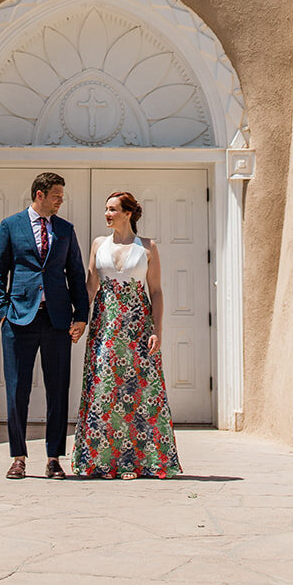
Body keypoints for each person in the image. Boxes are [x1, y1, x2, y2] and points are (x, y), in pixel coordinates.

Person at [72, 190, 181, 478]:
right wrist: (79, 320)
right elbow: (90, 287)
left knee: (138, 394)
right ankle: (101, 460)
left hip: (137, 327)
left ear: (128, 213)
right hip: (105, 327)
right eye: (106, 209)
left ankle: (135, 462)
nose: (107, 214)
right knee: (104, 391)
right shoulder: (99, 244)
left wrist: (157, 330)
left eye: (112, 209)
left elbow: (155, 292)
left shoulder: (147, 247)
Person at [0, 171, 88, 479]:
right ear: (40, 195)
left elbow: (76, 274)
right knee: (17, 390)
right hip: (19, 319)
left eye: (62, 196)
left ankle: (53, 458)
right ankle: (18, 456)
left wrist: (81, 316)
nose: (61, 200)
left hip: (57, 320)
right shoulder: (11, 226)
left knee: (58, 390)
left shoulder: (65, 230)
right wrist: (2, 311)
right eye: (57, 195)